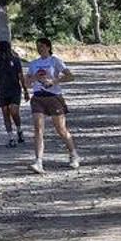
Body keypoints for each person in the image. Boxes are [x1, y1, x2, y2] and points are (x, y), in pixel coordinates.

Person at [27, 38, 81, 173]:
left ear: (48, 47)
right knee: (38, 129)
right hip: (38, 97)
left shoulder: (55, 61)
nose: (39, 49)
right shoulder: (33, 64)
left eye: (42, 46)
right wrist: (34, 79)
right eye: (37, 46)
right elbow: (27, 83)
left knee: (61, 129)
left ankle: (74, 155)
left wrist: (54, 81)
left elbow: (70, 76)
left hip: (54, 97)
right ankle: (38, 161)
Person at [0, 40, 27, 147]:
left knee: (14, 111)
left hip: (14, 89)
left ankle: (19, 130)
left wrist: (25, 90)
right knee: (5, 113)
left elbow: (20, 76)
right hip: (2, 90)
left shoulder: (15, 61)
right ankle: (11, 138)